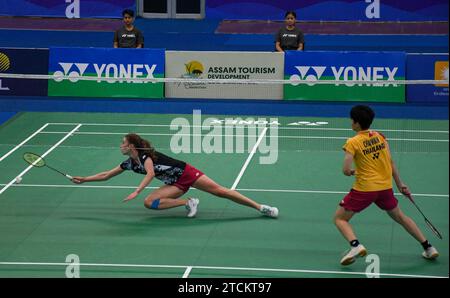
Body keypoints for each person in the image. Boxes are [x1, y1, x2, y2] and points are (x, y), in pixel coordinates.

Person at [71, 133, 279, 219]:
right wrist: (84, 178)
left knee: (221, 192)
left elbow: (151, 173)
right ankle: (188, 202)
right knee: (149, 202)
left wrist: (136, 190)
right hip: (174, 183)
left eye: (123, 143)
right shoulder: (129, 163)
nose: (120, 146)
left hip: (186, 173)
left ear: (131, 146)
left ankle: (261, 207)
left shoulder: (145, 157)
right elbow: (107, 174)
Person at [334, 105, 439, 266]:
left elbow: (345, 170)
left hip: (365, 189)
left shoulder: (352, 142)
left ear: (356, 123)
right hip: (385, 188)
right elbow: (391, 162)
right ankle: (428, 247)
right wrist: (400, 184)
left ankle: (355, 246)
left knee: (340, 219)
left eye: (351, 120)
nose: (350, 122)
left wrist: (351, 172)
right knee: (401, 217)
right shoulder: (380, 137)